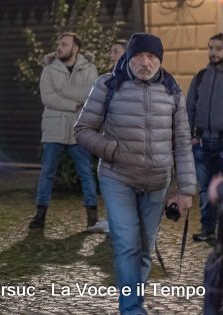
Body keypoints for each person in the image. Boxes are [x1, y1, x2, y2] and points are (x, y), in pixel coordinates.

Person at [74, 32, 196, 315]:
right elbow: (82, 131)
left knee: (143, 247)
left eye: (152, 57)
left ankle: (133, 300)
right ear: (129, 57)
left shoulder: (173, 90)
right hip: (118, 179)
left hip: (157, 182)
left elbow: (182, 141)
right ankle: (131, 308)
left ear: (159, 60)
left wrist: (186, 190)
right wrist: (113, 150)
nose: (145, 62)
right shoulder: (107, 84)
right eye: (139, 56)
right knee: (128, 244)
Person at [28, 32, 101, 231]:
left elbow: (91, 94)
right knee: (47, 173)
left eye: (64, 44)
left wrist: (63, 91)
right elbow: (48, 98)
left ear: (75, 48)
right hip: (54, 130)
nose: (59, 47)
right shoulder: (49, 70)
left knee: (86, 173)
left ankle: (92, 218)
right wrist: (73, 103)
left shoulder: (90, 68)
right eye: (59, 43)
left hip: (79, 130)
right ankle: (40, 216)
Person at [187, 32, 223, 242]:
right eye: (211, 48)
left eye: (218, 48)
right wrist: (190, 135)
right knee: (204, 189)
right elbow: (189, 108)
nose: (213, 52)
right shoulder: (200, 77)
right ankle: (207, 229)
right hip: (201, 142)